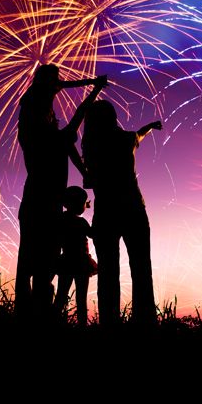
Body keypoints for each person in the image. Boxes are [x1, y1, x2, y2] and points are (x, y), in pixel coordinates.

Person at [15, 64, 107, 317]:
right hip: (41, 203)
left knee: (38, 261)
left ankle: (35, 312)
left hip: (43, 202)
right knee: (37, 262)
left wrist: (85, 172)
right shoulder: (44, 134)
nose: (56, 91)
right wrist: (93, 90)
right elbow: (76, 120)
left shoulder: (46, 132)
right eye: (53, 84)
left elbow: (70, 146)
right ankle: (35, 313)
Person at [82, 100, 161, 325]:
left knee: (107, 271)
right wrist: (149, 126)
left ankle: (109, 321)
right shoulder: (127, 139)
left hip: (106, 211)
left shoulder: (90, 146)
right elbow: (138, 135)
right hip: (134, 208)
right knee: (141, 267)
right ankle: (145, 320)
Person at [54, 186, 98, 326]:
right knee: (81, 297)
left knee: (61, 295)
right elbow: (92, 234)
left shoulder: (61, 220)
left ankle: (52, 321)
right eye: (82, 202)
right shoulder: (81, 222)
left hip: (66, 261)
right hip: (81, 263)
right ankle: (82, 325)